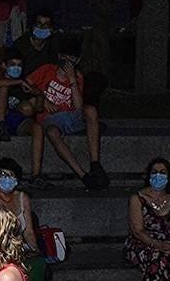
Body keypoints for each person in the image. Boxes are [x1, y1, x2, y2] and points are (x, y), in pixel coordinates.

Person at [25, 46, 108, 190]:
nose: (68, 61)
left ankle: (95, 164)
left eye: (72, 59)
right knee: (52, 132)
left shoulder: (78, 76)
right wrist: (43, 99)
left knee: (90, 110)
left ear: (77, 60)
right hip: (49, 118)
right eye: (65, 57)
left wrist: (72, 80)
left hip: (71, 116)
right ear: (59, 56)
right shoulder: (47, 70)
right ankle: (83, 175)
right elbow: (26, 84)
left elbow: (78, 107)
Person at [0, 49, 29, 142]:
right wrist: (19, 82)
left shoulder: (25, 81)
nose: (16, 68)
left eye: (19, 65)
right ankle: (1, 126)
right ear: (4, 65)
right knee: (3, 87)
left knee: (35, 128)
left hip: (13, 117)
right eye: (12, 64)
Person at [12, 10, 59, 76]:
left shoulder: (52, 43)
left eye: (46, 25)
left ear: (51, 28)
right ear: (33, 25)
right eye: (39, 23)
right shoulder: (20, 44)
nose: (42, 27)